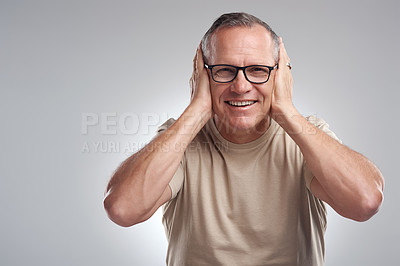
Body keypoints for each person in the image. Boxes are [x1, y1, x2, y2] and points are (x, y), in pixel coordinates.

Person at [103, 12, 384, 266]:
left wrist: (286, 111)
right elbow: (123, 209)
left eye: (258, 70)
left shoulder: (307, 136)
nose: (240, 86)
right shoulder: (179, 140)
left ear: (280, 75)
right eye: (224, 70)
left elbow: (365, 203)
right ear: (202, 75)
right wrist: (196, 110)